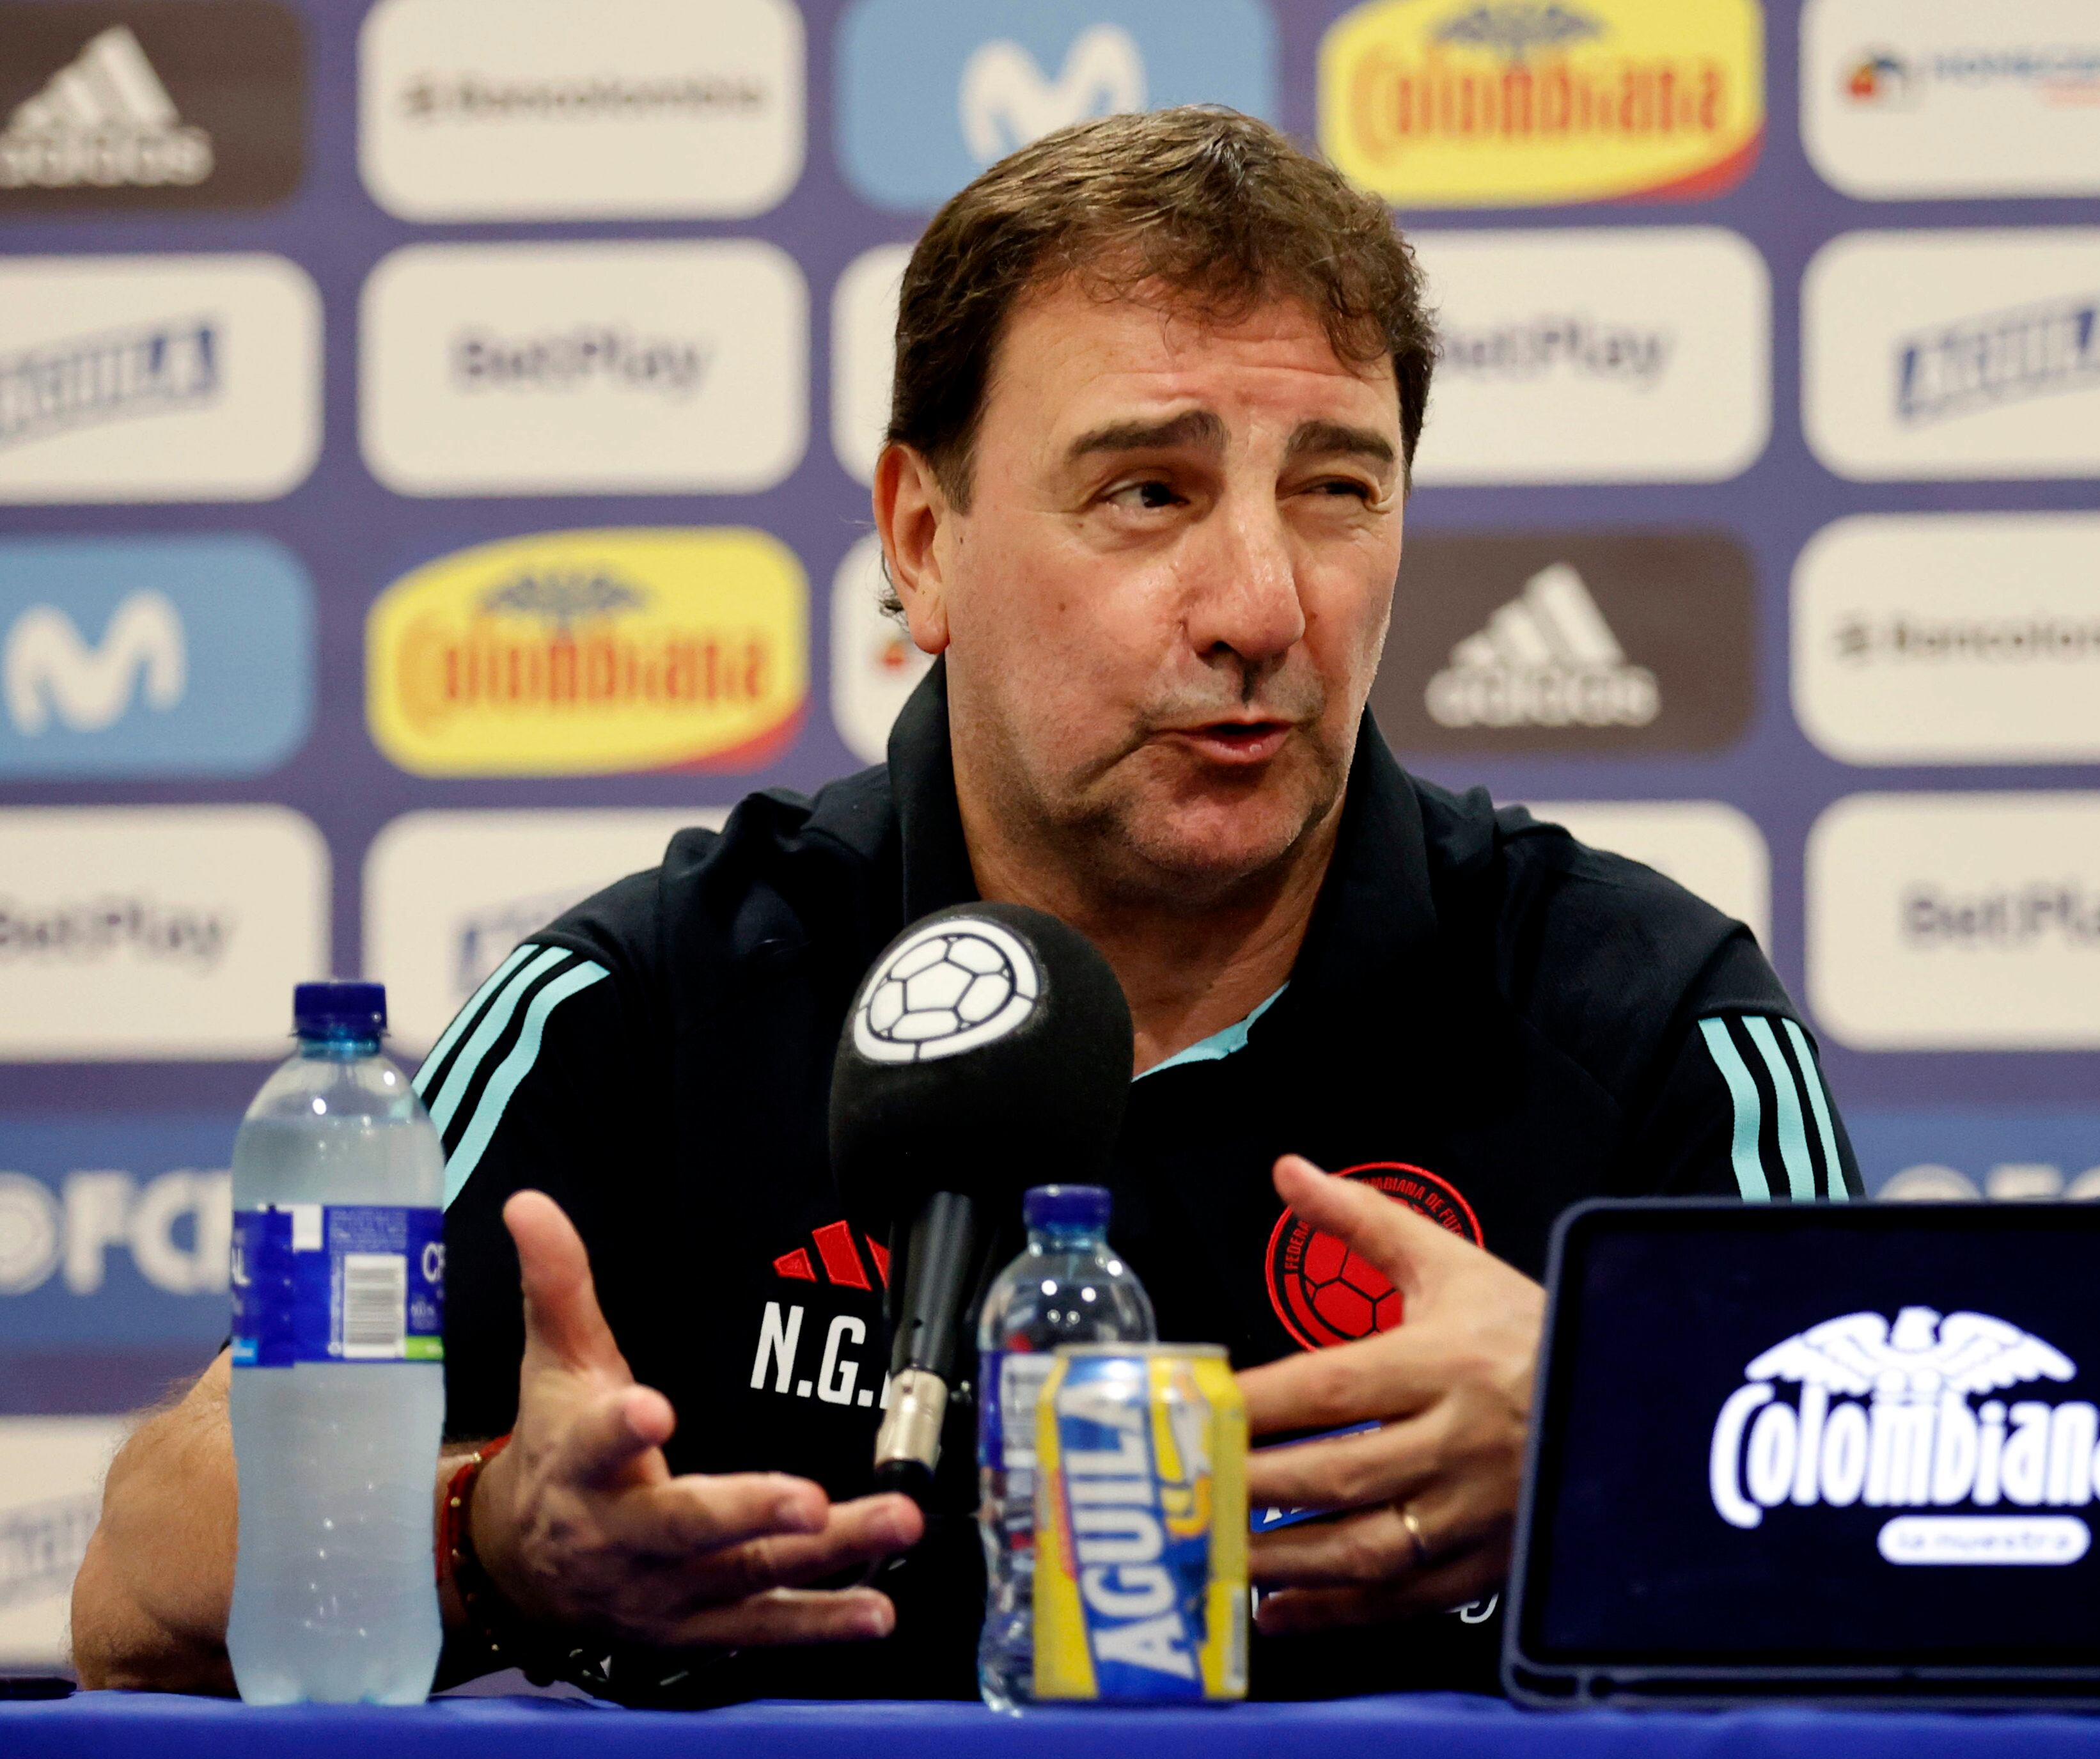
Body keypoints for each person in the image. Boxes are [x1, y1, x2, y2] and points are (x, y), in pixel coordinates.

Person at [72, 106, 1860, 1705]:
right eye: (1147, 491)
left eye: (1338, 492)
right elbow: (136, 1589)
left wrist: (1625, 1441)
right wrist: (489, 1531)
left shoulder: (1650, 1020)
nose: (1260, 603)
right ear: (922, 541)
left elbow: (1967, 1570)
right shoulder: (647, 1004)